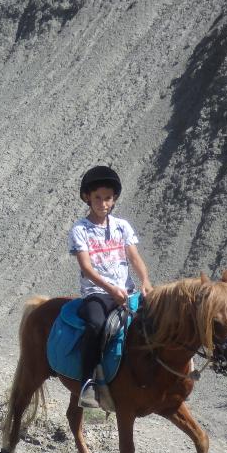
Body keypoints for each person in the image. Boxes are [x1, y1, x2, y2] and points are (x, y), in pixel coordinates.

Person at [69, 166, 152, 408]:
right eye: (97, 198)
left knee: (156, 318)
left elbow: (134, 257)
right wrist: (110, 289)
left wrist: (145, 280)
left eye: (107, 198)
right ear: (87, 197)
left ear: (114, 199)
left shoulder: (122, 226)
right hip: (97, 293)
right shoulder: (80, 230)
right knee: (96, 325)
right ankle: (88, 384)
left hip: (126, 291)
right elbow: (86, 267)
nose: (103, 203)